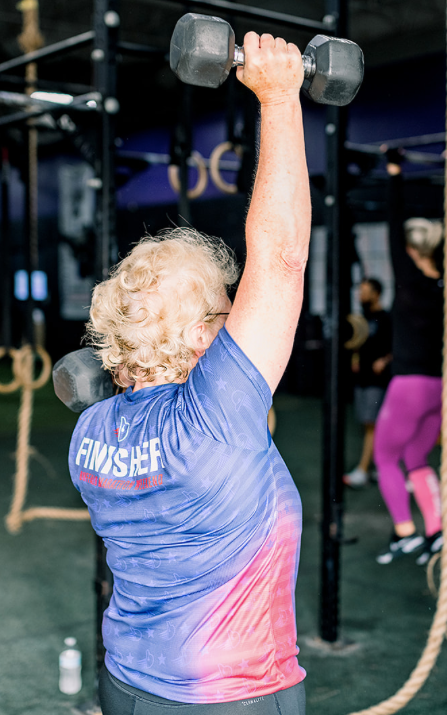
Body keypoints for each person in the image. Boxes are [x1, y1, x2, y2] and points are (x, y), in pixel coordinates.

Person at [69, 32, 309, 712]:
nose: (238, 323)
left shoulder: (89, 432)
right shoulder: (215, 415)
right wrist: (280, 96)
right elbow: (281, 258)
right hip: (228, 697)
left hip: (126, 683)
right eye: (227, 312)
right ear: (206, 336)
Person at [374, 156, 446, 566]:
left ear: (410, 248)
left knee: (386, 457)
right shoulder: (444, 282)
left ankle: (406, 532)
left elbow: (392, 222)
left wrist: (394, 176)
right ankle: (436, 530)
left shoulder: (409, 276)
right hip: (443, 386)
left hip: (412, 386)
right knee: (416, 457)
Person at [344, 278, 392, 489]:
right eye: (360, 291)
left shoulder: (387, 318)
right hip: (362, 378)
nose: (361, 295)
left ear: (376, 294)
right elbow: (357, 342)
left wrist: (384, 361)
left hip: (377, 381)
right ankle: (379, 467)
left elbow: (397, 346)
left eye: (365, 291)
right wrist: (355, 359)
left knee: (372, 425)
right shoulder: (362, 318)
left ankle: (363, 470)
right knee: (369, 425)